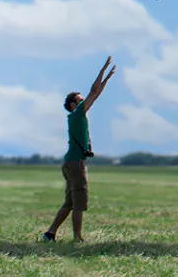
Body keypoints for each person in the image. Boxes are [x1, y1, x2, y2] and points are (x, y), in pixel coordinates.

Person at [42, 56, 116, 242]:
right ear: (74, 105)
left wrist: (106, 78)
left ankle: (50, 233)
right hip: (76, 163)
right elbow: (94, 91)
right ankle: (77, 238)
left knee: (69, 203)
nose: (85, 102)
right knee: (79, 203)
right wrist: (103, 69)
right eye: (80, 100)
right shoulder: (77, 115)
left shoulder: (77, 116)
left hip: (70, 162)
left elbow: (95, 94)